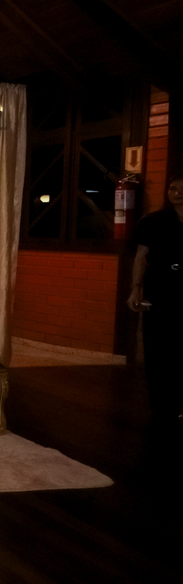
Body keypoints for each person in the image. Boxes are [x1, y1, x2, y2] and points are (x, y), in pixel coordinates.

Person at [127, 173, 183, 431]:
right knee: (159, 345)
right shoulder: (152, 221)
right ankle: (162, 404)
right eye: (173, 188)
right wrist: (135, 289)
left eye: (182, 188)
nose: (177, 193)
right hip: (161, 287)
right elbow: (141, 256)